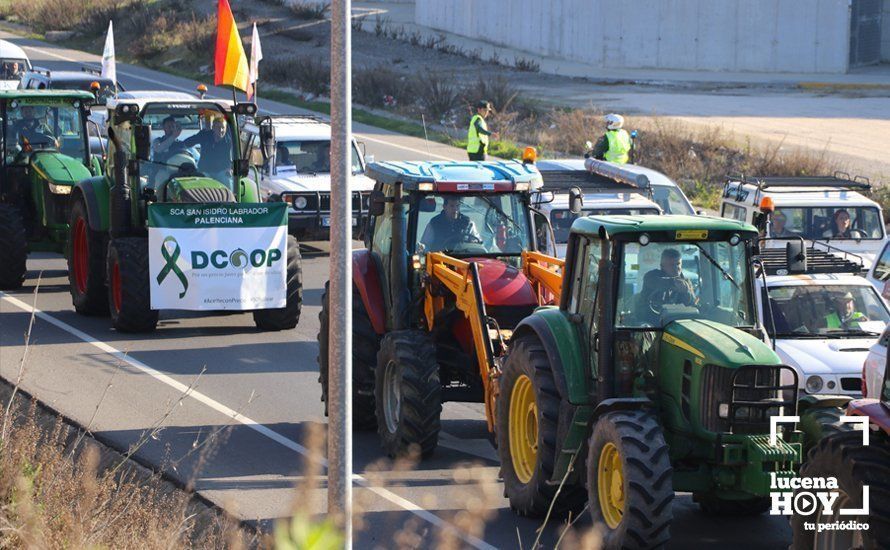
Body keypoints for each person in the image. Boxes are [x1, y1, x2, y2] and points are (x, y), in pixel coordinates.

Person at [636, 248, 696, 321]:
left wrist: (685, 292)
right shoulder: (651, 276)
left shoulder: (686, 282)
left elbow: (692, 304)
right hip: (649, 322)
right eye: (671, 265)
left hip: (676, 321)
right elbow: (656, 283)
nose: (676, 268)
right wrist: (674, 283)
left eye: (678, 264)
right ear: (662, 266)